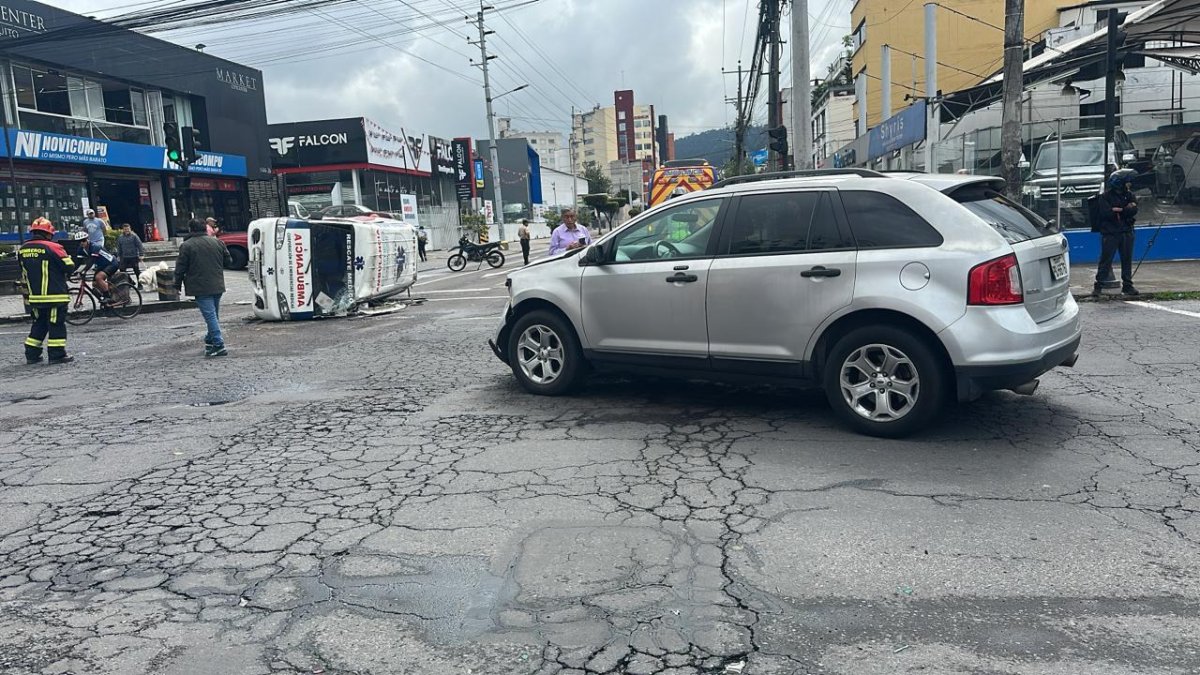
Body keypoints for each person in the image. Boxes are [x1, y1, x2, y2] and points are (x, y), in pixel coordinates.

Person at [19, 218, 75, 365]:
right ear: (48, 234)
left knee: (39, 324)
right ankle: (57, 355)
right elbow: (69, 266)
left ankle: (32, 354)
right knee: (56, 325)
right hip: (55, 296)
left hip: (35, 297)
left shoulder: (23, 249)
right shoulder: (54, 247)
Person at [175, 218, 233, 357]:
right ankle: (209, 340)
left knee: (210, 316)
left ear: (191, 229)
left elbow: (180, 267)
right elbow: (228, 261)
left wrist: (177, 283)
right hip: (217, 283)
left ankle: (218, 344)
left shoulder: (187, 245)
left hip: (200, 285)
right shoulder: (218, 242)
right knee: (213, 315)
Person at [1093, 168, 1140, 296]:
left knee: (1127, 259)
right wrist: (1125, 209)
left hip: (1126, 231)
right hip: (1111, 233)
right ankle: (1099, 286)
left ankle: (1128, 285)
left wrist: (1119, 210)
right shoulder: (1105, 197)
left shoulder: (1129, 195)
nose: (1128, 185)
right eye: (1126, 182)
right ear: (1119, 183)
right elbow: (1107, 213)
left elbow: (1134, 209)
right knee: (1106, 260)